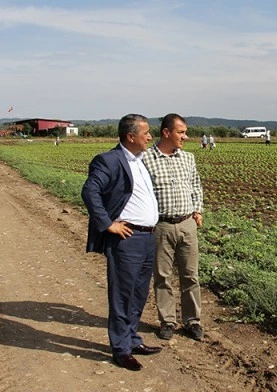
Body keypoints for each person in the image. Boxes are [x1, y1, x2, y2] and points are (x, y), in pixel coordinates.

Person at [81, 114, 163, 371]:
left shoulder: (140, 161)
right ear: (131, 136)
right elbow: (89, 191)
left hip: (148, 237)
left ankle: (133, 338)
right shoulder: (109, 160)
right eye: (146, 133)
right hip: (127, 238)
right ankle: (121, 348)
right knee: (122, 295)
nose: (150, 137)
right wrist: (107, 224)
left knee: (139, 294)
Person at [142, 113, 205, 341]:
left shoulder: (188, 158)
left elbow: (196, 185)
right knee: (162, 276)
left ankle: (192, 321)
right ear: (166, 133)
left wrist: (197, 209)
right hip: (161, 226)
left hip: (187, 224)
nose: (185, 137)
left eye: (185, 132)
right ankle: (167, 321)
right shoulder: (146, 159)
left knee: (191, 276)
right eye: (181, 132)